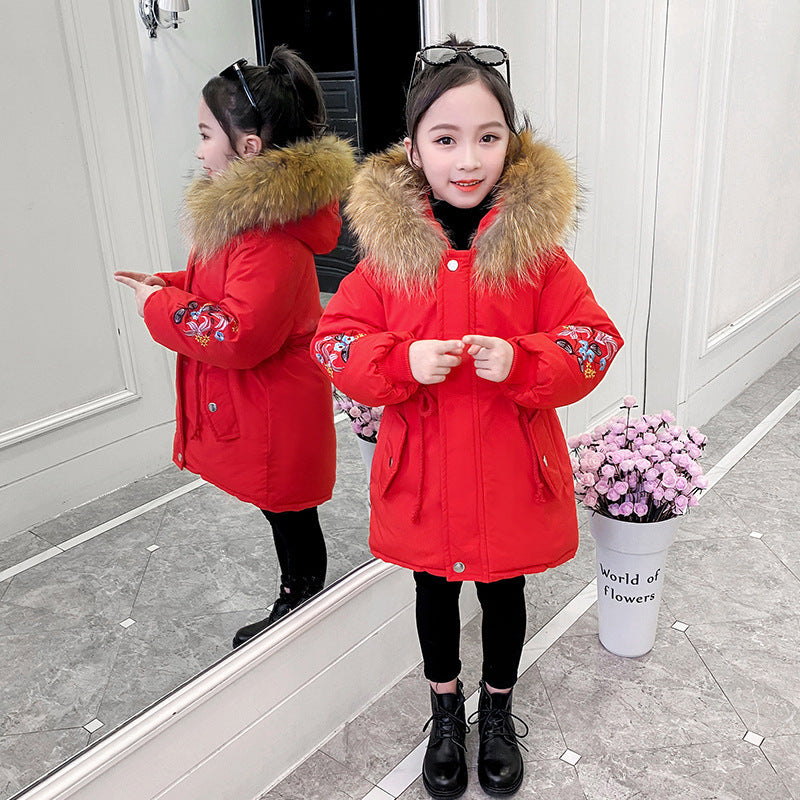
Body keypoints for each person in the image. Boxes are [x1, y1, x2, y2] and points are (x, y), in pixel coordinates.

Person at [312, 37, 623, 798]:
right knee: (434, 592)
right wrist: (399, 361)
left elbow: (593, 338)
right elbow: (334, 340)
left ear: (511, 144)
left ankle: (498, 708)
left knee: (505, 591)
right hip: (423, 474)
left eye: (488, 137)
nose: (468, 159)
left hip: (510, 468)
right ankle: (445, 711)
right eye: (446, 139)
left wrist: (522, 360)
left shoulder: (537, 256)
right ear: (413, 149)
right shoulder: (388, 261)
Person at [115, 48, 356, 649]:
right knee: (287, 515)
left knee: (290, 516)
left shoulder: (269, 235)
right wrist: (168, 284)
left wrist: (159, 307)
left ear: (248, 146)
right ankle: (298, 602)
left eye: (205, 135)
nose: (198, 151)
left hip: (277, 409)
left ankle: (300, 605)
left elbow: (238, 334)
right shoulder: (246, 221)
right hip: (267, 402)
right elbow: (221, 289)